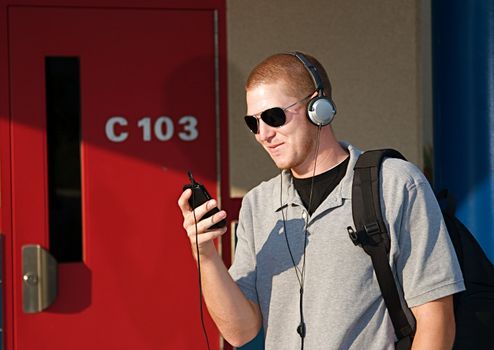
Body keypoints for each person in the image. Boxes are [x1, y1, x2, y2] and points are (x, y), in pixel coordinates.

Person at [177, 51, 465, 349]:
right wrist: (205, 253)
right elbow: (241, 332)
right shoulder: (257, 205)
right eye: (253, 123)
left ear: (319, 108)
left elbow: (437, 320)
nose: (263, 134)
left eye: (274, 117)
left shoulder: (395, 183)